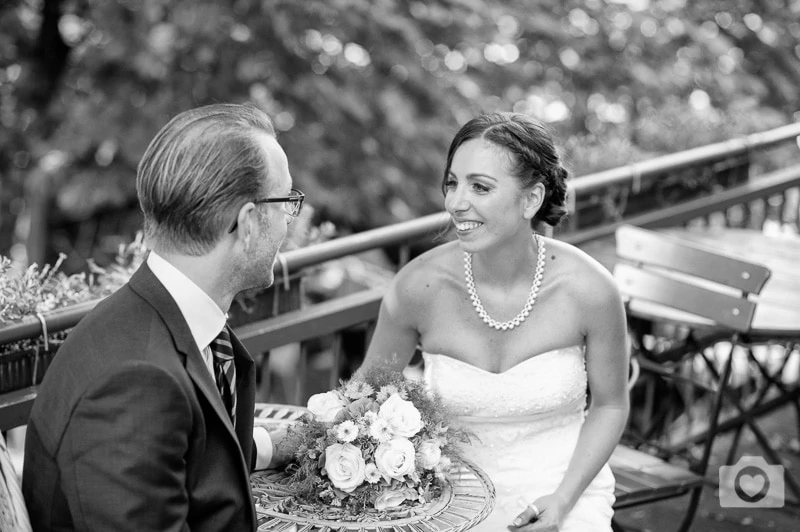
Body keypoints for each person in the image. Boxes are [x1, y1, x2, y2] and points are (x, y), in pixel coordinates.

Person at [22, 103, 299, 531]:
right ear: (247, 223)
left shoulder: (167, 316)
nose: (289, 221)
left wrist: (267, 447)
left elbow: (185, 456)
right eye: (286, 202)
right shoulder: (135, 386)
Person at [358, 112, 629, 531]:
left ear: (531, 199)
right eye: (452, 183)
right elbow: (361, 400)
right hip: (446, 498)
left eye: (479, 187)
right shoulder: (416, 288)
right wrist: (272, 447)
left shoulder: (590, 290)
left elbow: (610, 405)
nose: (455, 202)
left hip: (563, 488)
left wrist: (561, 502)